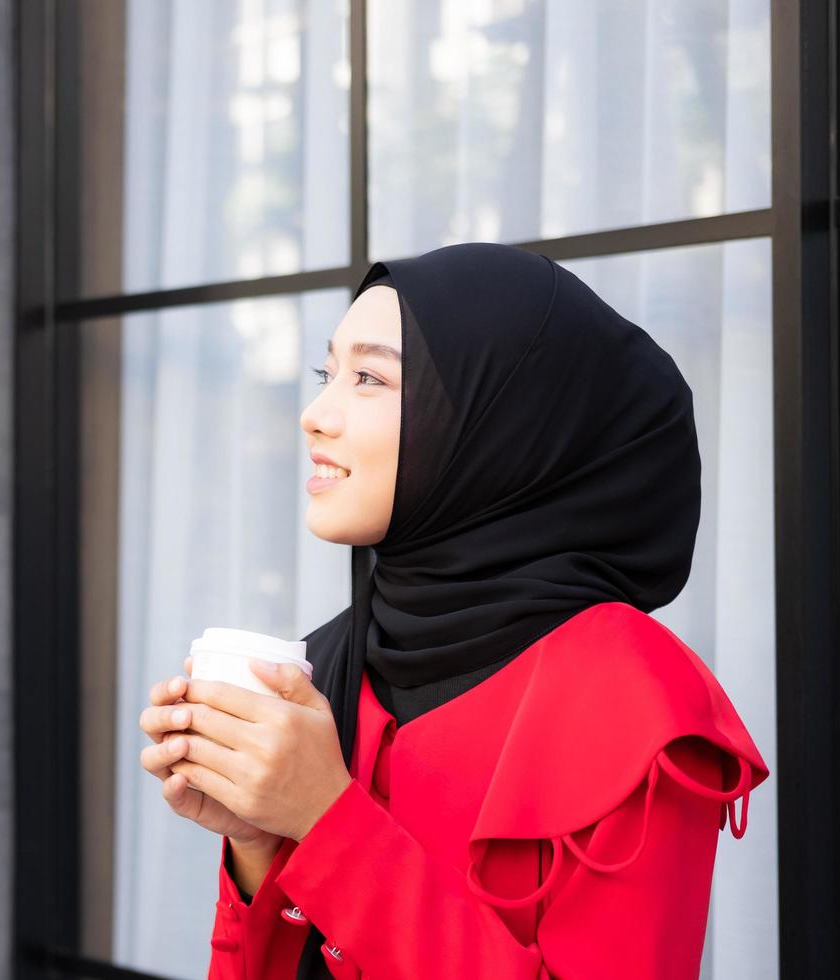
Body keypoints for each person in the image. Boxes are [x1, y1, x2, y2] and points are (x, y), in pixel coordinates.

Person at [137, 242, 769, 979]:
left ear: (500, 425)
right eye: (326, 373)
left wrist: (324, 818)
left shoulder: (629, 696)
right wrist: (257, 838)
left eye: (369, 378)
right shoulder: (332, 662)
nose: (315, 414)